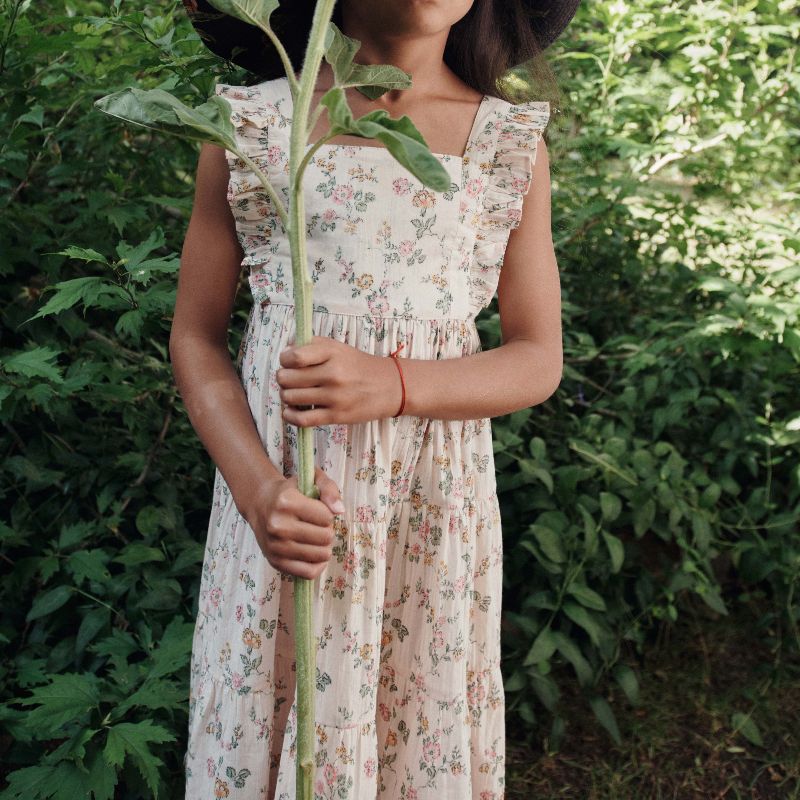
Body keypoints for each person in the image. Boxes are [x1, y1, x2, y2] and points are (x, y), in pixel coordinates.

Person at [174, 1, 579, 797]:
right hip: (288, 517)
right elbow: (196, 337)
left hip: (425, 526)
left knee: (408, 730)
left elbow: (537, 358)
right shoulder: (253, 129)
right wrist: (258, 494)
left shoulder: (503, 146)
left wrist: (396, 384)